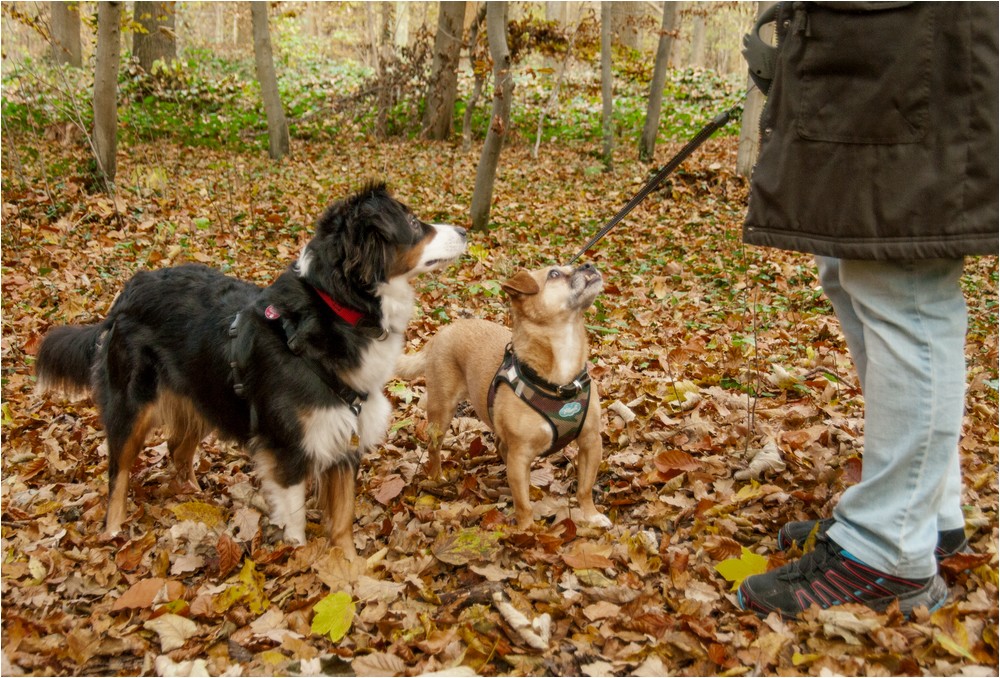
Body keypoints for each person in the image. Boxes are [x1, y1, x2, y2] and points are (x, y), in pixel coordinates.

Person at [736, 1, 998, 619]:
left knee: (900, 279)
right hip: (864, 43)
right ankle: (927, 515)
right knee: (852, 262)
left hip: (911, 44)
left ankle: (889, 552)